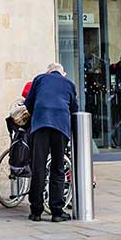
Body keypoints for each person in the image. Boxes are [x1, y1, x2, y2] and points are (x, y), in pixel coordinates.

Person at [23, 61, 78, 223]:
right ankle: (56, 211)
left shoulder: (39, 79)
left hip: (40, 125)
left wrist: (38, 115)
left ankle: (36, 211)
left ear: (48, 72)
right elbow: (74, 108)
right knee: (57, 167)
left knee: (38, 167)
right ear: (62, 73)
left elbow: (28, 103)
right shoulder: (69, 83)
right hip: (60, 126)